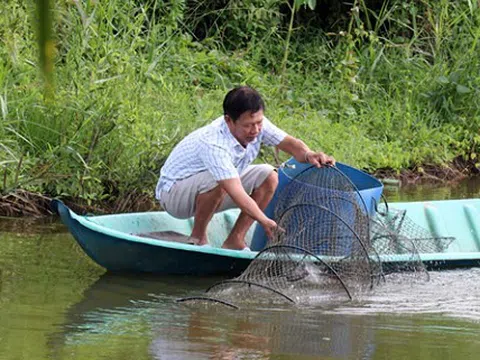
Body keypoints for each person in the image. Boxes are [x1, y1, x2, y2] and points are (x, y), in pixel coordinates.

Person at [155, 86, 335, 250]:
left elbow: (291, 144)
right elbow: (235, 191)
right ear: (228, 121)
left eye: (258, 123)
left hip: (213, 185)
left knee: (268, 175)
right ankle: (198, 238)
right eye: (248, 126)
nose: (255, 130)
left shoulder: (258, 124)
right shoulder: (213, 143)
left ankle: (235, 240)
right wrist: (264, 220)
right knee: (220, 179)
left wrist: (309, 154)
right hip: (174, 195)